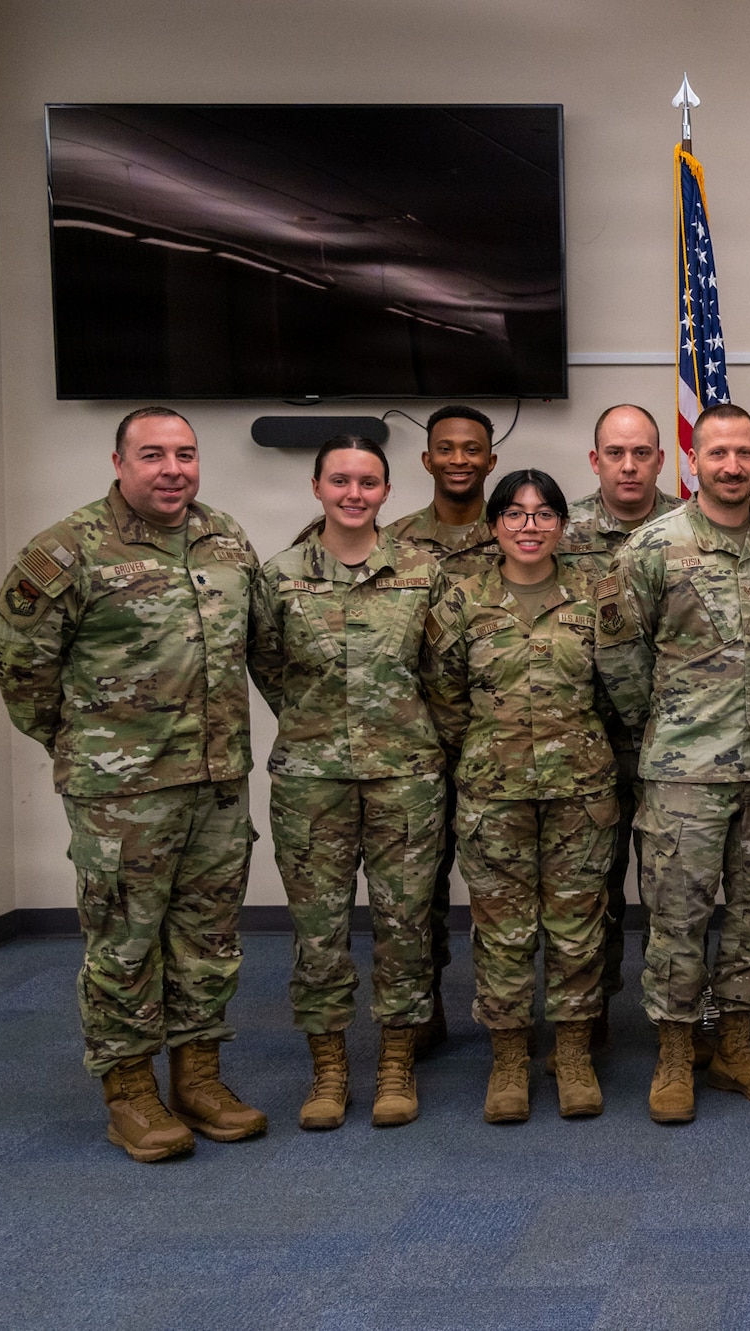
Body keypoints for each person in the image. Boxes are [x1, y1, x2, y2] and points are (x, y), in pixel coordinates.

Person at [0, 406, 268, 1162]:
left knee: (207, 938)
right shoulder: (67, 549)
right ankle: (129, 1092)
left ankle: (199, 1075)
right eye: (152, 455)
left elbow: (260, 642)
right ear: (119, 462)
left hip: (216, 782)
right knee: (123, 942)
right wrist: (86, 743)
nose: (172, 469)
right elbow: (22, 669)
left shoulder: (226, 539)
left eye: (184, 453)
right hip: (123, 795)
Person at [599, 403, 750, 1124]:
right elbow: (620, 657)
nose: (731, 465)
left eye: (744, 453)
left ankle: (734, 1045)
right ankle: (673, 1051)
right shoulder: (653, 547)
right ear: (693, 462)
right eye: (717, 453)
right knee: (678, 917)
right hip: (684, 773)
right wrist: (665, 728)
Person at [250, 435, 445, 1131]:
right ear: (317, 486)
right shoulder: (278, 577)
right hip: (312, 779)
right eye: (341, 480)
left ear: (387, 491)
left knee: (405, 925)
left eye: (368, 481)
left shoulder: (424, 572)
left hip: (406, 778)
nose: (354, 492)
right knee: (318, 930)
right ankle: (328, 1066)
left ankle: (396, 1060)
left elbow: (441, 674)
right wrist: (318, 725)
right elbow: (271, 668)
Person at [425, 468, 614, 1124]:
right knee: (502, 932)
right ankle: (509, 1056)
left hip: (580, 793)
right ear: (493, 524)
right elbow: (444, 696)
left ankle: (572, 1050)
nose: (529, 526)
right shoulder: (460, 600)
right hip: (494, 794)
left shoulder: (595, 597)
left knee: (578, 928)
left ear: (563, 524)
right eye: (514, 513)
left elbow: (624, 691)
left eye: (543, 514)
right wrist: (483, 753)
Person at [558, 403, 679, 1043]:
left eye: (641, 454)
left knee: (674, 894)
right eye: (615, 454)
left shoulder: (691, 528)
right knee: (590, 891)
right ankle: (590, 1018)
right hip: (585, 744)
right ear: (595, 459)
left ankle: (679, 1021)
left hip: (673, 744)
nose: (628, 467)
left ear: (661, 459)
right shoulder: (559, 530)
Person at [384, 404, 504, 1049]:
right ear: (426, 460)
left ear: (491, 461)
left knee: (503, 884)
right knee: (420, 886)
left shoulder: (520, 531)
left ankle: (510, 1011)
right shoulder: (395, 543)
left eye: (472, 449)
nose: (460, 459)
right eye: (447, 449)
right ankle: (422, 1003)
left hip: (500, 742)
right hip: (418, 746)